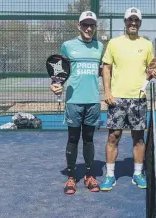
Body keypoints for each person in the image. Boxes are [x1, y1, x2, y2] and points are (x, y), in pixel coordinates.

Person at [101, 7, 156, 191]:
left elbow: (151, 70)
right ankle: (110, 175)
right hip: (117, 98)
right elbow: (106, 68)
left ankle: (137, 173)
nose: (133, 23)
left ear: (140, 23)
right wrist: (107, 92)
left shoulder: (147, 45)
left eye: (136, 20)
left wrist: (155, 73)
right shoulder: (113, 43)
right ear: (125, 22)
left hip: (138, 98)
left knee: (138, 138)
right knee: (113, 137)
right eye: (130, 20)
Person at [50, 11, 104, 195]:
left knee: (88, 139)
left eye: (92, 25)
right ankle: (71, 177)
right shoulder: (67, 46)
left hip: (93, 102)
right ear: (78, 25)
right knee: (73, 139)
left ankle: (89, 176)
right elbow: (59, 70)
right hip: (73, 101)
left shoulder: (100, 46)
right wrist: (55, 85)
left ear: (95, 26)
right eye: (85, 25)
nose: (88, 28)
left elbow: (105, 71)